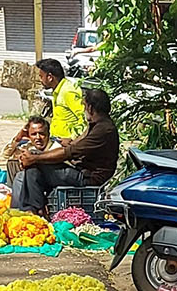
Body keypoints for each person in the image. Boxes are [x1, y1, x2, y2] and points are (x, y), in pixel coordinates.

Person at [13, 85, 118, 213]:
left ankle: (34, 209)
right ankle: (35, 208)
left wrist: (34, 158)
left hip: (87, 178)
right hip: (81, 171)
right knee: (33, 168)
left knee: (34, 161)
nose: (84, 110)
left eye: (84, 106)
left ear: (90, 108)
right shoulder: (96, 125)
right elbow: (77, 143)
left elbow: (69, 153)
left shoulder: (103, 129)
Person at [37, 57, 86, 141]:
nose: (40, 80)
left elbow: (84, 118)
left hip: (66, 143)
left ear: (50, 77)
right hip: (56, 138)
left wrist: (72, 139)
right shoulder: (57, 91)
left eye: (41, 76)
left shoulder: (68, 91)